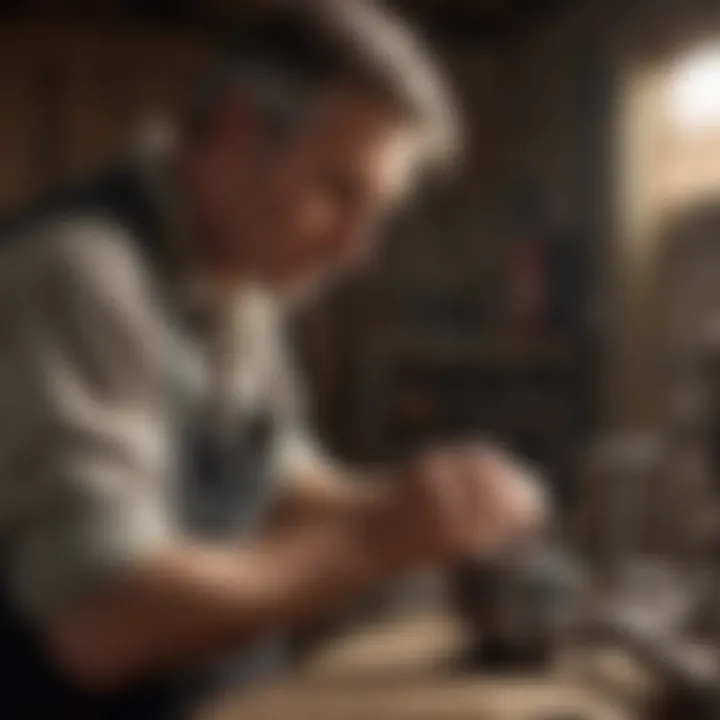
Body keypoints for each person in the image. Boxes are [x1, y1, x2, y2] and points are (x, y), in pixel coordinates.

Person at [0, 1, 546, 717]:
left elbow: (281, 490)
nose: (356, 252)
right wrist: (378, 537)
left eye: (375, 212)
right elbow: (99, 619)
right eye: (337, 191)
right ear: (234, 130)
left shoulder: (241, 280)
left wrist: (434, 501)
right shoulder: (78, 275)